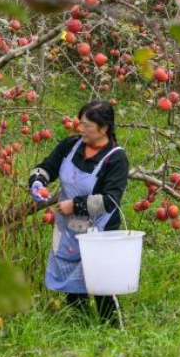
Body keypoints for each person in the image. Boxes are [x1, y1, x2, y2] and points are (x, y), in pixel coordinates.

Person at [28, 100, 129, 323]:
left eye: (86, 125)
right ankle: (79, 323)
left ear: (104, 128)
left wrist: (75, 205)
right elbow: (46, 167)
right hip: (70, 228)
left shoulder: (116, 158)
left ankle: (111, 327)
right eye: (80, 123)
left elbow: (110, 200)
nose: (80, 129)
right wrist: (37, 181)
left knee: (102, 283)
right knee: (73, 279)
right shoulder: (71, 146)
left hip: (99, 229)